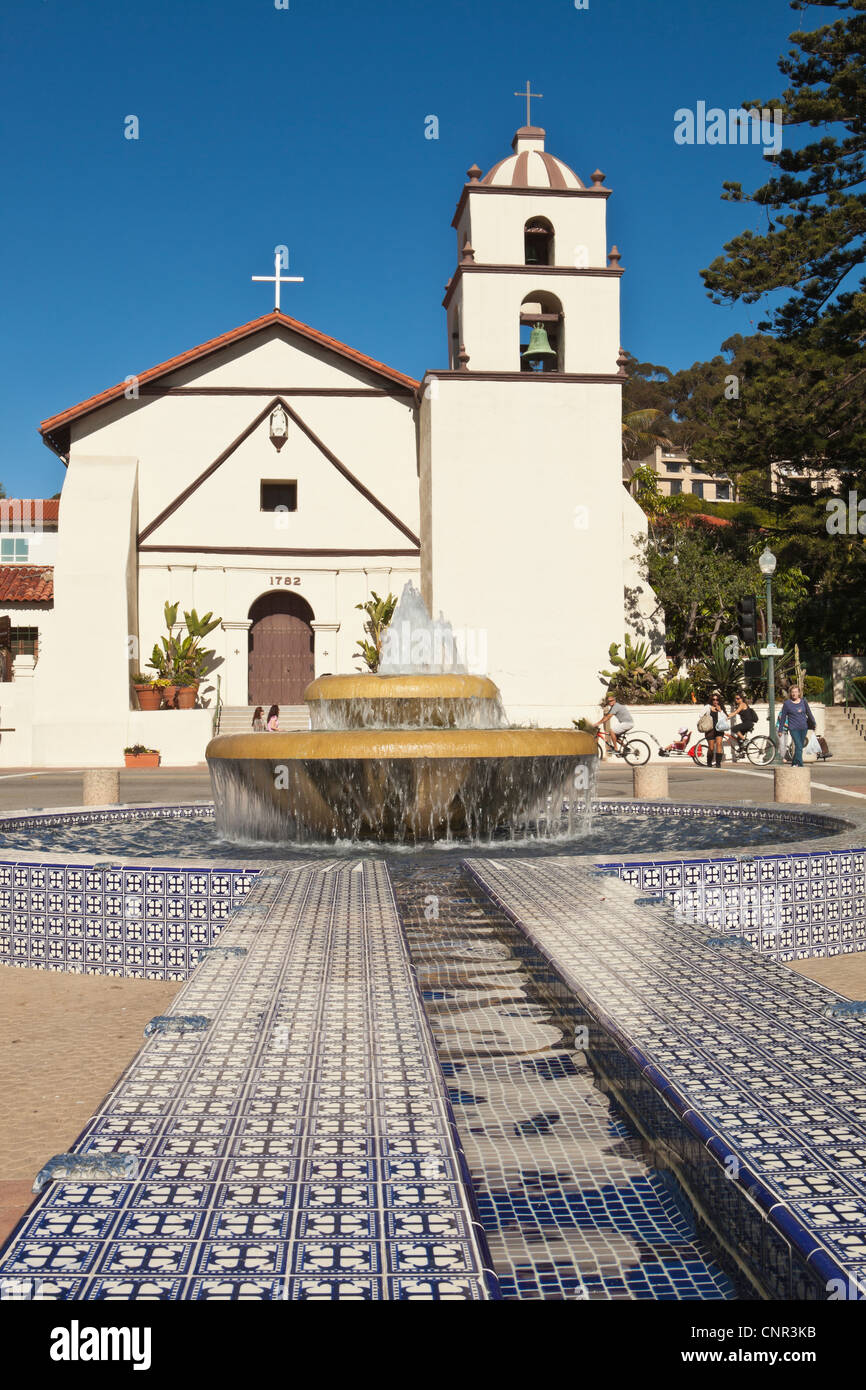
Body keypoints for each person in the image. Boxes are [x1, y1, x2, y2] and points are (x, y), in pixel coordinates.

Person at [777, 685, 814, 767]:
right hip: (793, 728)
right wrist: (780, 730)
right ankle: (800, 765)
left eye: (796, 692)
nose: (794, 694)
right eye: (792, 692)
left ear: (799, 693)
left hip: (804, 727)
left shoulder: (804, 702)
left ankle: (794, 763)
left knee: (799, 746)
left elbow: (809, 713)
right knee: (799, 745)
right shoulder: (787, 704)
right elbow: (783, 717)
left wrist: (813, 722)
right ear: (790, 693)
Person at [698, 692, 728, 767]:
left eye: (717, 700)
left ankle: (718, 763)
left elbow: (725, 718)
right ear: (711, 700)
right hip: (710, 730)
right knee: (711, 748)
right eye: (713, 699)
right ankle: (709, 762)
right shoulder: (707, 707)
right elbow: (700, 715)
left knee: (719, 744)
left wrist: (720, 710)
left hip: (719, 729)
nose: (715, 701)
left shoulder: (721, 708)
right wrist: (708, 712)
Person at [728, 693, 757, 760]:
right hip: (747, 723)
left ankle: (745, 740)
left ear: (742, 699)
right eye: (735, 698)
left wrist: (727, 717)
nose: (736, 700)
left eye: (738, 698)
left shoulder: (742, 704)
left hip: (748, 723)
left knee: (734, 729)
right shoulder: (739, 705)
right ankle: (742, 752)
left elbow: (736, 712)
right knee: (738, 739)